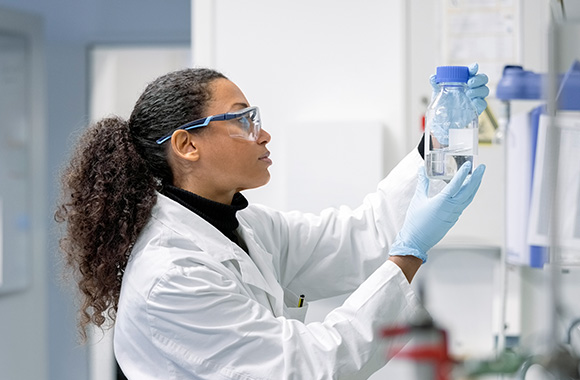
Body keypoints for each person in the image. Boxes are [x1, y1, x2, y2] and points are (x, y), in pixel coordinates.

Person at [56, 66, 488, 379]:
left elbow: (360, 236)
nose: (262, 134)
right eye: (243, 120)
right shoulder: (170, 275)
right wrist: (409, 254)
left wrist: (437, 140)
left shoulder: (244, 227)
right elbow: (308, 368)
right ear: (187, 145)